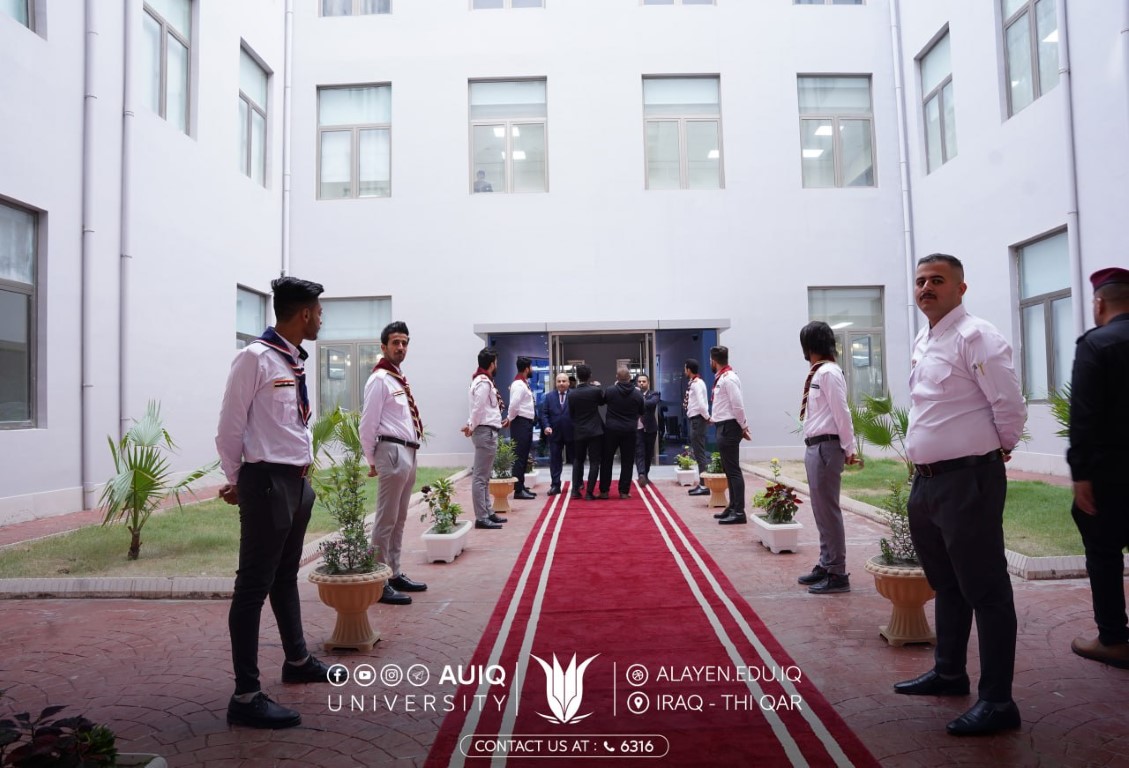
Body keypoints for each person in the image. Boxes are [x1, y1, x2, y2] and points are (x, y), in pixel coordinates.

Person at [894, 253, 1026, 737]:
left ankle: (998, 701)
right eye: (920, 281)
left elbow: (1009, 405)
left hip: (968, 480)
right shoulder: (925, 339)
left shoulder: (977, 337)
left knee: (986, 590)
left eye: (937, 280)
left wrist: (994, 451)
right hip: (928, 482)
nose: (926, 288)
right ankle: (949, 672)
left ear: (960, 288)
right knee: (946, 583)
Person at [215, 276, 331, 729]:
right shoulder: (255, 358)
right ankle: (245, 695)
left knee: (285, 575)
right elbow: (229, 425)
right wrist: (236, 480)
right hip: (266, 484)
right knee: (252, 587)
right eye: (318, 312)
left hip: (296, 484)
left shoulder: (292, 360)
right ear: (303, 314)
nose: (321, 319)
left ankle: (297, 660)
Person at [1067, 266, 1129, 669]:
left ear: (1100, 302)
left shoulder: (1097, 344)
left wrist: (1081, 474)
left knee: (1104, 553)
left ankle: (1113, 639)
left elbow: (1084, 415)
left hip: (1112, 472)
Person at [359, 321, 427, 607]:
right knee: (386, 519)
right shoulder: (379, 380)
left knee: (399, 518)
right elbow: (367, 425)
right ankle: (378, 579)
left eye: (405, 342)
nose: (401, 347)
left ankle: (394, 572)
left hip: (408, 452)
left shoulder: (397, 378)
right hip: (391, 451)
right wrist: (372, 460)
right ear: (383, 346)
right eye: (396, 342)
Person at [796, 321, 860, 594]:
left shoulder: (829, 373)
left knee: (828, 511)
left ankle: (837, 572)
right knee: (820, 510)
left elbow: (841, 412)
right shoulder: (819, 372)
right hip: (816, 447)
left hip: (826, 448)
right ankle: (826, 562)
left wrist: (850, 448)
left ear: (809, 346)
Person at [462, 348, 508, 529]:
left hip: (487, 431)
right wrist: (471, 425)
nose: (497, 365)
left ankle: (488, 512)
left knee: (485, 476)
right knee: (480, 478)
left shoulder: (483, 381)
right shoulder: (483, 382)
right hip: (485, 432)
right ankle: (481, 517)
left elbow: (480, 409)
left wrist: (471, 425)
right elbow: (478, 408)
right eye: (496, 362)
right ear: (491, 364)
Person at [709, 346, 752, 524]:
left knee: (733, 470)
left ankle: (739, 511)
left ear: (713, 361)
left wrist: (744, 426)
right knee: (728, 469)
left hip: (730, 427)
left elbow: (737, 405)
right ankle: (732, 506)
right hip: (723, 425)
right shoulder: (722, 378)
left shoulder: (729, 378)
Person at [601, 367, 645, 498]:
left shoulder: (610, 390)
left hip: (611, 430)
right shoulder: (637, 394)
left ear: (617, 377)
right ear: (630, 377)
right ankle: (624, 491)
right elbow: (642, 411)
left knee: (607, 460)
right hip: (629, 430)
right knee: (627, 461)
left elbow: (603, 401)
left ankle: (604, 491)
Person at [568, 364, 605, 500]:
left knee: (578, 460)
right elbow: (602, 403)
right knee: (594, 462)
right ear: (590, 376)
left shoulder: (572, 394)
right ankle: (589, 492)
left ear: (577, 377)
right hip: (595, 430)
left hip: (579, 430)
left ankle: (575, 490)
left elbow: (571, 413)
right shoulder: (595, 391)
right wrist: (598, 387)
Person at [507, 356, 538, 501]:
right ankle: (518, 490)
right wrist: (509, 418)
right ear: (526, 369)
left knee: (524, 456)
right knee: (520, 457)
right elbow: (514, 405)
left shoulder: (523, 383)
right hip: (520, 422)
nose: (532, 370)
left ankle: (521, 485)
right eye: (531, 367)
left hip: (525, 423)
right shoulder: (519, 385)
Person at [540, 372, 574, 496]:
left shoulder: (574, 395)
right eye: (559, 381)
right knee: (555, 460)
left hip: (572, 433)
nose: (561, 383)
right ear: (555, 383)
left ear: (568, 383)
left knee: (576, 459)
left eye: (564, 381)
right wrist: (546, 426)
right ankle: (555, 485)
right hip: (554, 433)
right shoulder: (549, 397)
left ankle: (577, 484)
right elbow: (544, 414)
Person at [685, 358, 710, 497]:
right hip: (696, 420)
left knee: (700, 453)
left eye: (685, 368)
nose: (684, 371)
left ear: (688, 369)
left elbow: (701, 403)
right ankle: (702, 483)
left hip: (698, 420)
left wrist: (707, 417)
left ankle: (704, 485)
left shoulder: (697, 384)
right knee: (698, 452)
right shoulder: (694, 383)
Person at [635, 374, 661, 487]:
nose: (641, 383)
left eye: (644, 381)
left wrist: (638, 399)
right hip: (637, 428)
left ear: (648, 383)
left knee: (648, 453)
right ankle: (641, 474)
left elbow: (651, 403)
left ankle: (645, 474)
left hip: (650, 428)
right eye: (639, 381)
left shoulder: (654, 394)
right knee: (639, 452)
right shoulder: (634, 394)